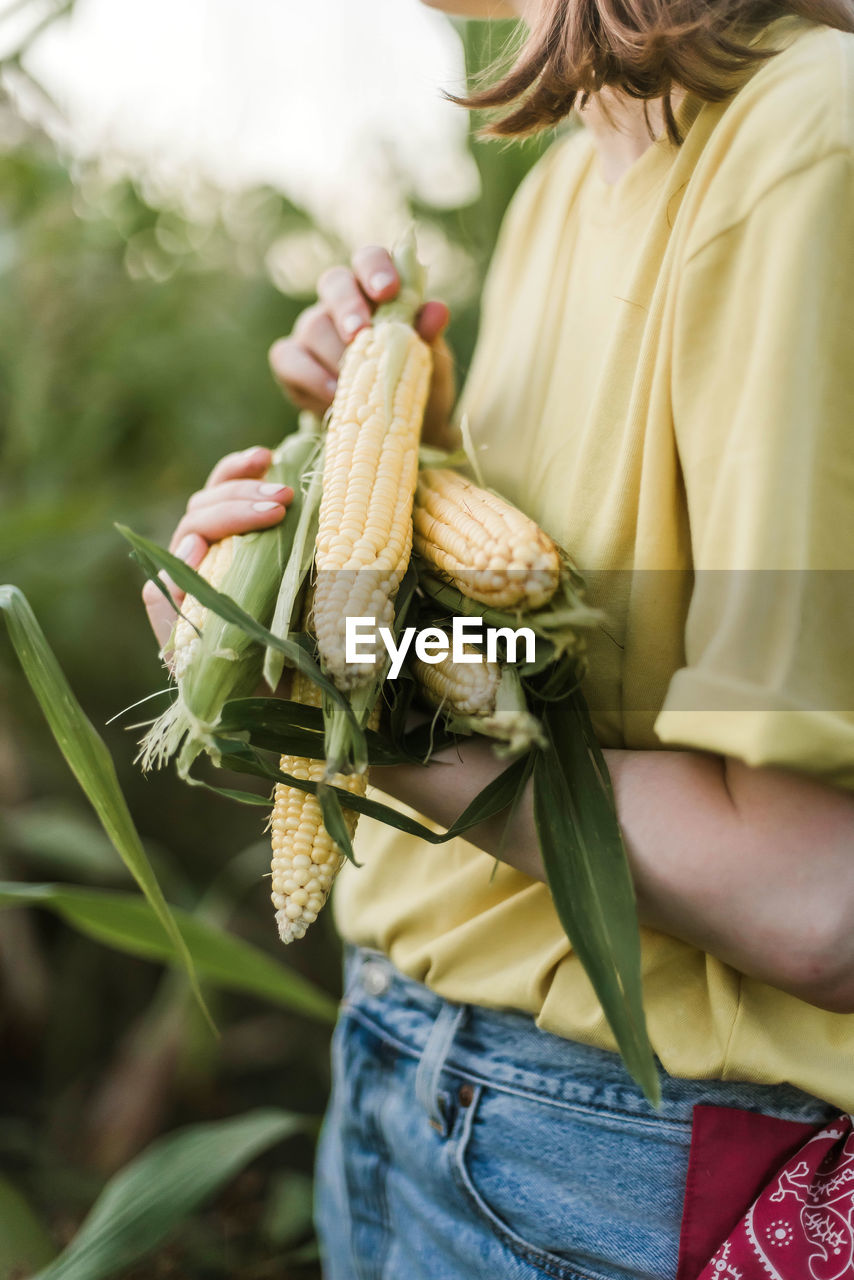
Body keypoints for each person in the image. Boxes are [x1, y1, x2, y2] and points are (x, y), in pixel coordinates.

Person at [144, 1, 854, 1276]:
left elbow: (817, 894)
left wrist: (353, 705)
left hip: (614, 1151)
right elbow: (578, 664)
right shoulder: (568, 182)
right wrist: (387, 484)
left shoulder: (809, 148)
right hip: (403, 1068)